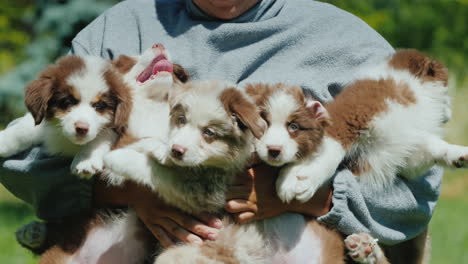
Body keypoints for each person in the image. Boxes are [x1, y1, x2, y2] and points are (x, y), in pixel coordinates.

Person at [1, 0, 441, 258]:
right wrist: (130, 189)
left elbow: (415, 192)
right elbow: (24, 159)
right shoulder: (123, 25)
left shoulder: (344, 41)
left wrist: (320, 197)